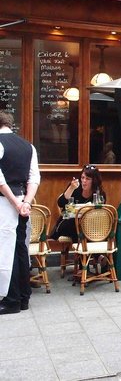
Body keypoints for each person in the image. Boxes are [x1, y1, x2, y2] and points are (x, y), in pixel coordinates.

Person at [0, 111, 40, 315]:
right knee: (21, 249)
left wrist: (15, 203)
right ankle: (24, 297)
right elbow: (34, 178)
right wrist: (26, 202)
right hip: (22, 201)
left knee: (6, 250)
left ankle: (11, 299)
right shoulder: (28, 146)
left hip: (4, 203)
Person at [50, 164, 106, 243]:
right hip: (67, 222)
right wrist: (71, 188)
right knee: (76, 224)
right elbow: (61, 203)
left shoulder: (99, 194)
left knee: (96, 227)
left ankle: (90, 253)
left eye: (88, 179)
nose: (84, 181)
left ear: (94, 181)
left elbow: (99, 213)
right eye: (82, 177)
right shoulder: (75, 187)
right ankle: (85, 253)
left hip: (88, 225)